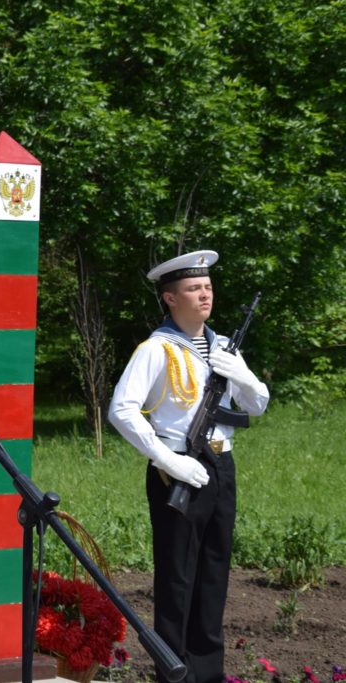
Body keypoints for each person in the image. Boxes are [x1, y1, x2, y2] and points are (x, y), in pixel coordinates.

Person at [108, 250, 269, 683]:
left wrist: (244, 377)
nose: (204, 295)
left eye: (208, 287)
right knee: (177, 579)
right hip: (176, 469)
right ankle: (174, 674)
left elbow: (256, 405)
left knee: (214, 574)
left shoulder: (223, 346)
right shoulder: (156, 348)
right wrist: (166, 459)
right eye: (193, 288)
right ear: (170, 298)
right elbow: (121, 410)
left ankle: (208, 673)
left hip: (220, 466)